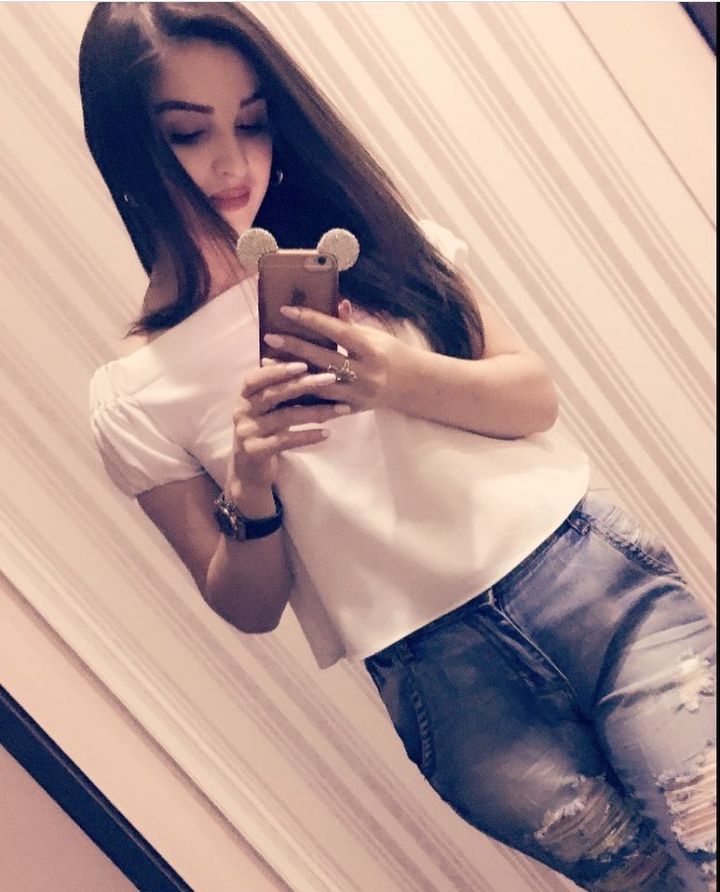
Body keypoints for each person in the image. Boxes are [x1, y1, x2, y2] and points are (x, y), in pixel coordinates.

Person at [80, 4, 716, 889]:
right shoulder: (133, 395)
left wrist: (392, 378)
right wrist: (252, 483)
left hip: (591, 582)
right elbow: (247, 606)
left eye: (252, 122)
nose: (232, 162)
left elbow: (531, 398)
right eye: (188, 133)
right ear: (127, 144)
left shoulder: (378, 241)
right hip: (448, 688)